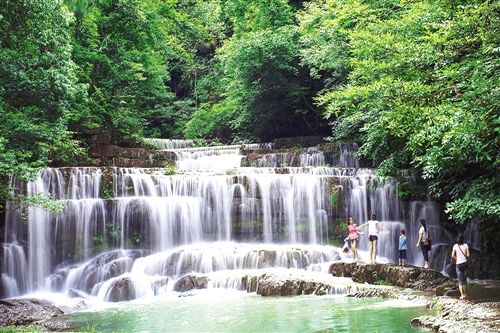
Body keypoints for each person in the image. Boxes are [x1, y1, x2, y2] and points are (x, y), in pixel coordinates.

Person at [452, 233, 470, 300]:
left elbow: (452, 255)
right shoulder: (466, 245)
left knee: (460, 281)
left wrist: (457, 258)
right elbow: (468, 255)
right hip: (465, 264)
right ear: (463, 239)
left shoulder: (455, 246)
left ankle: (461, 295)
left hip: (458, 264)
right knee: (464, 280)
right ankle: (465, 294)